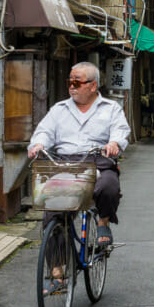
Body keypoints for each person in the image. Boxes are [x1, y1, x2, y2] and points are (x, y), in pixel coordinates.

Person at [28, 61, 130, 262]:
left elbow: (120, 130)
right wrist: (38, 145)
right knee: (52, 211)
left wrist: (114, 143)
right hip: (64, 164)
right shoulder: (59, 109)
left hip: (97, 160)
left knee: (108, 186)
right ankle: (57, 271)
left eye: (77, 82)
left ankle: (103, 221)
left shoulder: (110, 109)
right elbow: (44, 132)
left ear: (93, 86)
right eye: (70, 82)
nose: (72, 87)